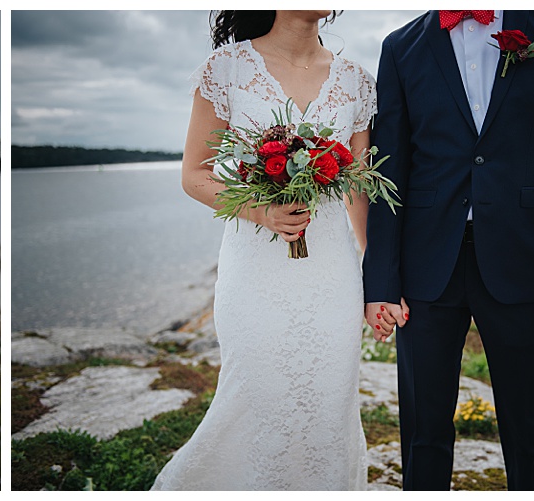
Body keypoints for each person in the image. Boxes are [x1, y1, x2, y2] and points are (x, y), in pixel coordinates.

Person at [363, 10, 534, 491]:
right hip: (426, 267)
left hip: (526, 259)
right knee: (423, 433)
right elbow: (387, 170)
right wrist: (382, 282)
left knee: (530, 428)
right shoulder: (400, 46)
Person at [155, 10, 375, 490]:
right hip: (254, 270)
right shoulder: (226, 69)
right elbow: (195, 174)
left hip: (332, 273)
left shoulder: (357, 81)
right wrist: (260, 210)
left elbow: (359, 187)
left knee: (329, 399)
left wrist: (375, 275)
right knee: (256, 395)